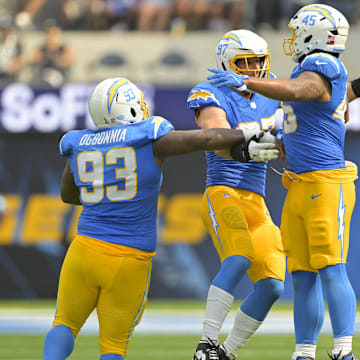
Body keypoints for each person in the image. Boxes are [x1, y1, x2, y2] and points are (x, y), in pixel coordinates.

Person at [42, 76, 279, 360]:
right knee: (113, 346)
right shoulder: (147, 136)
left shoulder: (78, 142)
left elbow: (69, 194)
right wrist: (246, 135)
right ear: (127, 108)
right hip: (129, 257)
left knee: (64, 323)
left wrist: (106, 194)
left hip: (83, 249)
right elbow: (205, 138)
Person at [207, 4, 359, 360]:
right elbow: (332, 100)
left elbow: (298, 91)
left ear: (313, 33)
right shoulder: (319, 71)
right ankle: (304, 352)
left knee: (331, 267)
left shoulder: (321, 66)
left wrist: (246, 80)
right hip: (299, 183)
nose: (292, 40)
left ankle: (343, 351)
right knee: (303, 275)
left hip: (326, 183)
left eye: (296, 32)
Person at [187, 29, 286, 360]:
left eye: (259, 61)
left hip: (256, 200)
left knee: (273, 283)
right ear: (226, 62)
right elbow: (216, 138)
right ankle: (206, 342)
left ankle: (226, 353)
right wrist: (255, 145)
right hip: (223, 189)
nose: (254, 69)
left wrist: (268, 144)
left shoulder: (274, 88)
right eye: (244, 62)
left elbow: (291, 140)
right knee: (239, 257)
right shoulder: (210, 91)